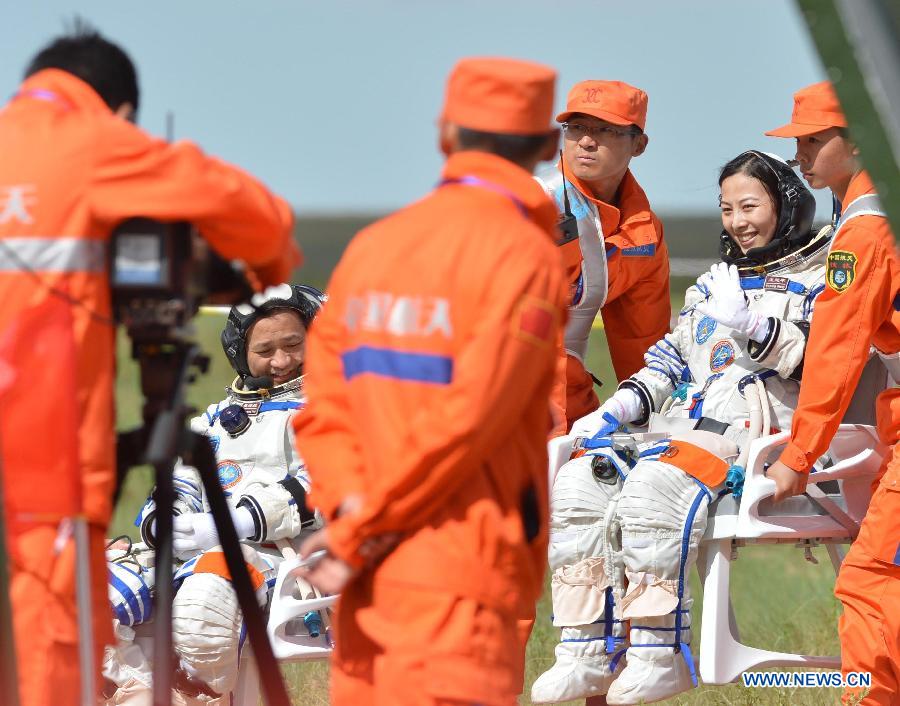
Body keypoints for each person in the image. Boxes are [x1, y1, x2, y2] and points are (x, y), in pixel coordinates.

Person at [0, 26, 301, 706]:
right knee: (46, 630)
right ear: (123, 112)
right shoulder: (96, 146)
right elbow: (262, 221)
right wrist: (262, 272)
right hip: (37, 456)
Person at [292, 57, 569, 706]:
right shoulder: (524, 256)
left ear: (446, 133)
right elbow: (470, 419)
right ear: (548, 145)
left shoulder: (373, 247)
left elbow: (322, 412)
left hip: (362, 576)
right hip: (458, 572)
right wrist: (363, 530)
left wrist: (350, 514)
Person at [532, 150, 830, 704]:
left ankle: (657, 652)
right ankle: (585, 651)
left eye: (750, 206)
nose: (737, 222)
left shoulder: (819, 278)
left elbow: (827, 365)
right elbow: (670, 362)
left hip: (760, 438)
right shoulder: (715, 287)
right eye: (726, 209)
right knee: (579, 482)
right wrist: (614, 411)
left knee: (652, 488)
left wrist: (755, 325)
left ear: (788, 205)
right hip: (685, 431)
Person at [102, 284, 325, 705]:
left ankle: (200, 693)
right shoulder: (217, 420)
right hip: (206, 553)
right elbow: (182, 479)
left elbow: (325, 485)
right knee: (97, 593)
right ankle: (140, 693)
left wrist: (231, 524)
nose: (281, 361)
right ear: (240, 351)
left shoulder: (335, 410)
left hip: (289, 556)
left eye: (294, 344)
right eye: (265, 349)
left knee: (206, 603)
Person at [763, 81, 900, 705]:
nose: (801, 156)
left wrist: (798, 457)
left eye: (816, 140)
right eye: (799, 142)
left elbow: (836, 350)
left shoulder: (865, 230)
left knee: (870, 580)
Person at [534, 80, 670, 431]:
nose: (586, 141)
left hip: (573, 407)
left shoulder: (646, 234)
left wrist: (652, 422)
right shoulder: (531, 204)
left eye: (604, 130)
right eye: (576, 127)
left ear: (639, 144)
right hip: (508, 401)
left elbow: (643, 346)